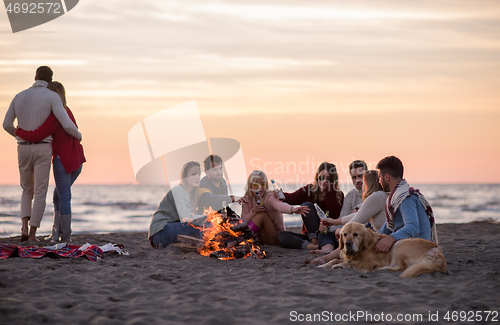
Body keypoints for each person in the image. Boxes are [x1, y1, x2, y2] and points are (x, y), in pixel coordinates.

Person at [3, 66, 82, 242]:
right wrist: (79, 135)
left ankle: (23, 226)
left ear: (35, 77)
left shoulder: (19, 96)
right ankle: (32, 235)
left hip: (22, 147)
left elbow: (6, 124)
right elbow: (67, 124)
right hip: (43, 147)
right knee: (40, 192)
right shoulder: (52, 97)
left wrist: (19, 133)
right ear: (50, 80)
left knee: (26, 190)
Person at [307, 170, 388, 261]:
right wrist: (333, 222)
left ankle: (325, 258)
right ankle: (326, 257)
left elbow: (357, 220)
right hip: (383, 238)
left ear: (368, 184)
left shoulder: (376, 196)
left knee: (350, 237)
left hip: (385, 241)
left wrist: (342, 230)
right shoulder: (379, 196)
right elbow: (358, 214)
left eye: (363, 181)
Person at [374, 156, 438, 252]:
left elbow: (413, 227)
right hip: (410, 246)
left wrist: (391, 238)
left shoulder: (405, 197)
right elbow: (386, 228)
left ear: (387, 177)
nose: (379, 181)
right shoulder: (397, 196)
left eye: (379, 177)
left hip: (419, 250)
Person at [277, 162, 344, 250]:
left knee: (306, 205)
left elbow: (334, 215)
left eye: (328, 179)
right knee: (282, 236)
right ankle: (314, 245)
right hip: (311, 236)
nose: (324, 181)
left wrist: (330, 190)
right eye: (321, 177)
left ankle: (318, 243)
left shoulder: (338, 195)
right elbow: (290, 198)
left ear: (333, 181)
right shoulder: (309, 190)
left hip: (328, 235)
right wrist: (278, 194)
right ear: (317, 177)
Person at [241, 170, 309, 245]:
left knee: (261, 215)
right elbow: (242, 222)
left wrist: (292, 209)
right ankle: (243, 239)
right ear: (250, 186)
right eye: (256, 185)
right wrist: (253, 212)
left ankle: (242, 239)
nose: (260, 188)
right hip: (259, 239)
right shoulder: (247, 200)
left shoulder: (269, 196)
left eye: (263, 184)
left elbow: (278, 205)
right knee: (256, 214)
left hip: (276, 237)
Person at [149, 161, 204, 248]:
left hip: (169, 230)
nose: (197, 177)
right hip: (160, 232)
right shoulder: (179, 191)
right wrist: (208, 219)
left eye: (199, 174)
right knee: (201, 229)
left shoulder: (191, 194)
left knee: (203, 229)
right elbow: (187, 218)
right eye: (193, 174)